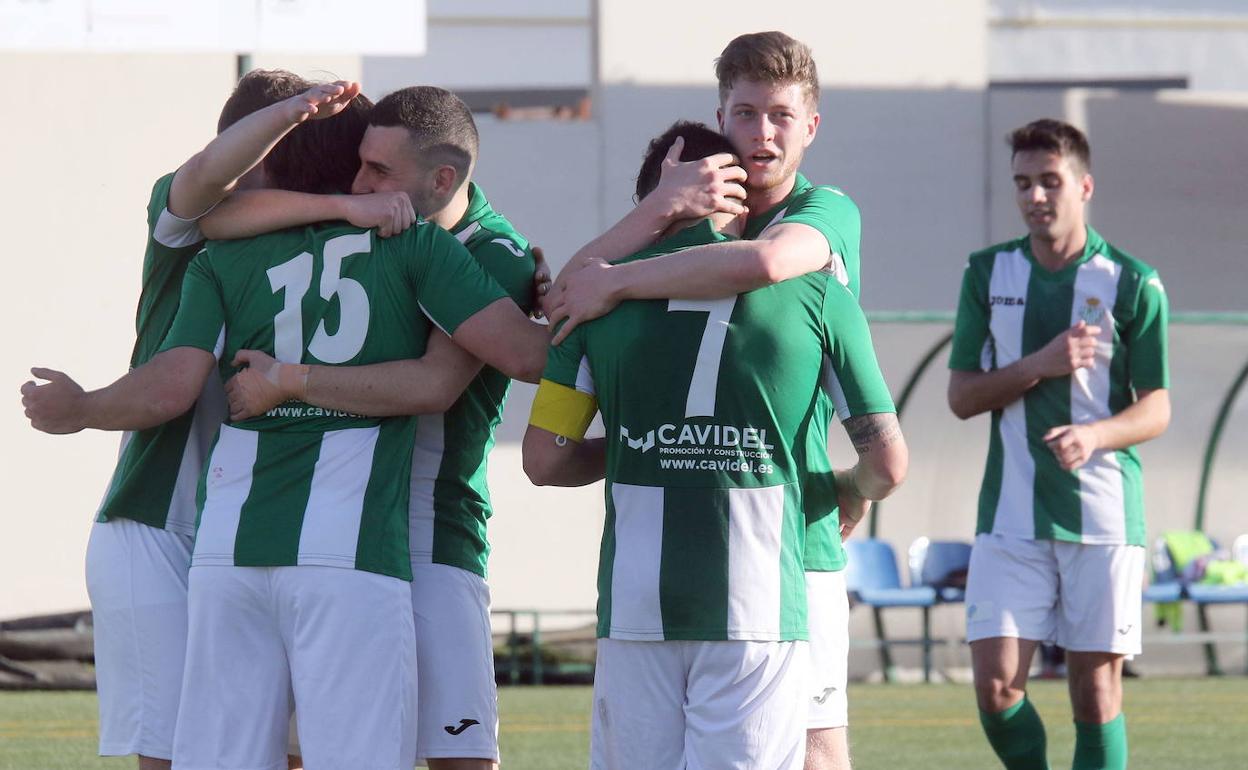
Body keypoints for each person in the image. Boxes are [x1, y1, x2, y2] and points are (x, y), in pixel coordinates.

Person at [23, 82, 547, 770]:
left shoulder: (226, 251)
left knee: (228, 754)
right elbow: (490, 368)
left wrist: (286, 381)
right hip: (318, 541)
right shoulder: (410, 246)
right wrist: (589, 294)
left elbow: (180, 370)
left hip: (237, 540)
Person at [523, 121, 907, 770]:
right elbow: (888, 463)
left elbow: (545, 458)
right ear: (740, 197)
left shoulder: (589, 299)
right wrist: (850, 491)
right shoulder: (816, 288)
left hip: (636, 603)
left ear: (649, 202)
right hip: (759, 600)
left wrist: (647, 449)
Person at [213, 85, 539, 770]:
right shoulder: (364, 225)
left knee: (456, 752)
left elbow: (437, 385)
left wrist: (289, 380)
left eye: (378, 172)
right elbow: (212, 214)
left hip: (432, 529)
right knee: (306, 748)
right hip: (339, 526)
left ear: (442, 178)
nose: (359, 183)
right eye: (359, 164)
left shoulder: (492, 253)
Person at [947, 118, 1170, 770]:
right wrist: (1039, 364)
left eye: (1050, 181)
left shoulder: (1133, 282)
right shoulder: (987, 273)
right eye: (1023, 183)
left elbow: (1157, 407)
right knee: (994, 690)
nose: (1034, 196)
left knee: (1095, 695)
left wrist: (1096, 434)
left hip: (1100, 515)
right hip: (1009, 517)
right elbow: (962, 397)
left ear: (1084, 185)